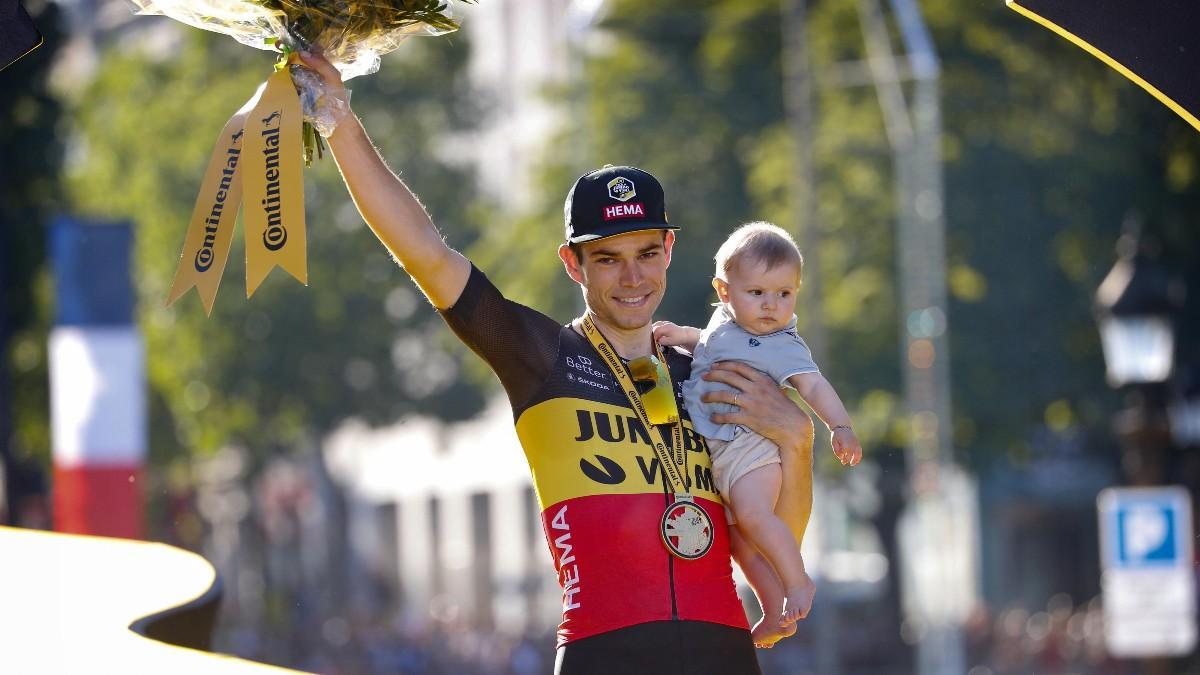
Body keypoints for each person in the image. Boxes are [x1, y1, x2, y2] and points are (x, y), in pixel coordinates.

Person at [297, 50, 817, 675]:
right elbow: (427, 255)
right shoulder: (540, 355)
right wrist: (339, 121)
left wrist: (798, 442)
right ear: (573, 264)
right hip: (605, 652)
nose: (633, 277)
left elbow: (773, 531)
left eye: (646, 253)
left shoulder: (706, 365)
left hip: (722, 652)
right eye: (607, 258)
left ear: (670, 250)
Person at [654, 222, 863, 648]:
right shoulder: (725, 326)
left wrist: (839, 426)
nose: (771, 305)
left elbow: (813, 385)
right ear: (725, 291)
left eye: (784, 294)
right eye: (758, 293)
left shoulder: (782, 343)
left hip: (752, 447)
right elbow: (713, 349)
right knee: (740, 545)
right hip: (722, 450)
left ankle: (798, 579)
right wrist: (686, 337)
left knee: (753, 517)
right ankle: (774, 612)